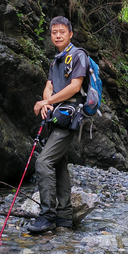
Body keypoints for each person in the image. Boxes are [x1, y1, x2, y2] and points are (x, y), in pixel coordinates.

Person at [27, 16, 89, 233]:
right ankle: (64, 218)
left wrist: (47, 102)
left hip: (69, 118)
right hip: (55, 118)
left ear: (70, 34)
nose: (58, 35)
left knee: (43, 163)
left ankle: (47, 216)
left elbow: (75, 87)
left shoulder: (78, 56)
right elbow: (49, 86)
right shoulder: (55, 61)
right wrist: (47, 102)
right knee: (59, 166)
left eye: (62, 31)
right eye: (54, 32)